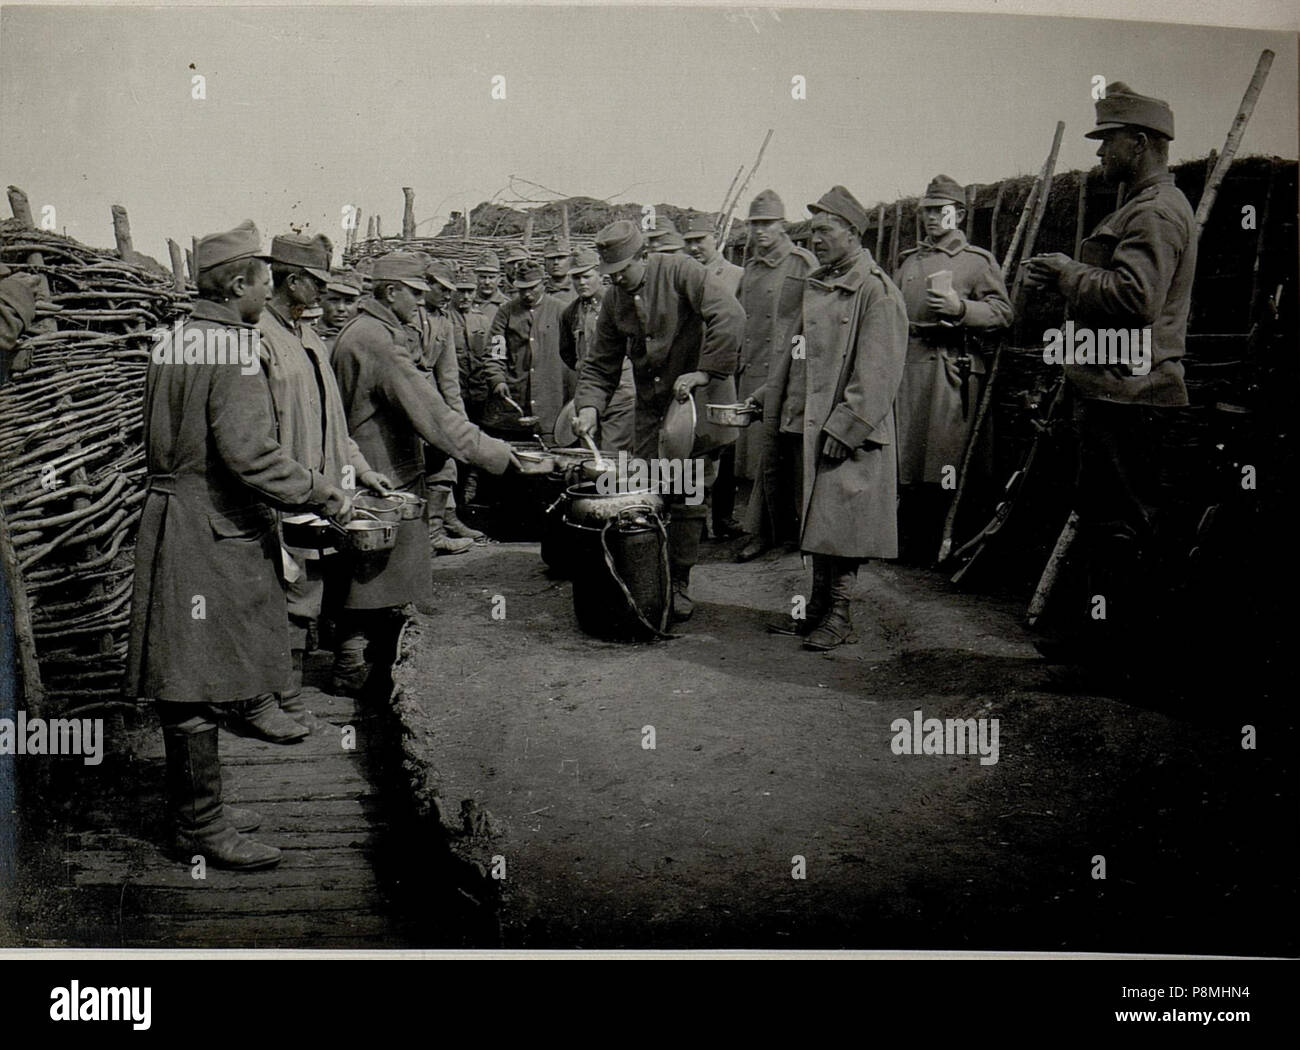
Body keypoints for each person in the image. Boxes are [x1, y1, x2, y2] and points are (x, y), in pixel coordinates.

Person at [127, 221, 353, 870]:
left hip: (169, 519)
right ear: (236, 286)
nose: (266, 290)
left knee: (184, 672)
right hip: (212, 530)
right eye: (260, 280)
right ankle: (201, 827)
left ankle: (196, 812)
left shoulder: (175, 339)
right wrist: (323, 492)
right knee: (193, 679)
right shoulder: (233, 350)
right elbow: (250, 456)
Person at [1022, 82, 1195, 681]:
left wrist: (1068, 275)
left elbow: (1136, 298)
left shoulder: (1154, 212)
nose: (1099, 153)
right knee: (1104, 524)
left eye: (1108, 141)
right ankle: (1094, 646)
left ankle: (1115, 664)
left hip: (1134, 397)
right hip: (1116, 391)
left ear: (1140, 143)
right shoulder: (1141, 206)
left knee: (1121, 531)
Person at [329, 252, 518, 696]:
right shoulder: (377, 341)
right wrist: (498, 454)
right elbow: (432, 413)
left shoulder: (362, 330)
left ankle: (364, 665)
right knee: (374, 575)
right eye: (414, 292)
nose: (420, 300)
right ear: (390, 291)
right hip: (382, 473)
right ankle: (355, 670)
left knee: (371, 571)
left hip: (370, 466)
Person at [746, 187, 908, 650]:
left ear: (852, 232)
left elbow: (878, 371)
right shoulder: (819, 283)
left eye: (824, 231)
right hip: (810, 421)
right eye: (812, 232)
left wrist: (848, 425)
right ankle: (817, 607)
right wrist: (767, 398)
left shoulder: (876, 291)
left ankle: (840, 612)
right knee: (818, 519)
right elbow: (798, 358)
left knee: (843, 524)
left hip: (847, 428)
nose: (815, 240)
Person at [572, 220, 744, 622]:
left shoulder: (683, 271)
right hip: (652, 408)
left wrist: (704, 372)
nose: (616, 280)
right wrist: (589, 407)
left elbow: (729, 315)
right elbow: (600, 362)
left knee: (687, 489)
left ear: (645, 256)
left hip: (693, 402)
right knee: (650, 487)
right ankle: (651, 573)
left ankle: (679, 580)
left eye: (623, 271)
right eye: (610, 274)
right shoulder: (615, 299)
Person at [260, 233, 392, 725]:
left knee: (315, 587)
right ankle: (284, 699)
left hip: (324, 492)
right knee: (292, 593)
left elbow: (331, 422)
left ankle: (293, 691)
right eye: (317, 283)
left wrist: (362, 468)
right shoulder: (261, 339)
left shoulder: (308, 337)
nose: (323, 293)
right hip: (286, 492)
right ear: (293, 281)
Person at [894, 174, 1013, 561]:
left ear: (959, 215)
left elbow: (1002, 313)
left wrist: (961, 309)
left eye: (939, 210)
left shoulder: (976, 262)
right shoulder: (909, 262)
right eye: (926, 210)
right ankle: (908, 541)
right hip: (909, 368)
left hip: (951, 369)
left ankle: (945, 542)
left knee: (946, 460)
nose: (931, 217)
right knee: (908, 459)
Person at [735, 190, 819, 562]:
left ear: (783, 225)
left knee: (787, 455)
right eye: (755, 224)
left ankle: (792, 531)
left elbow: (812, 322)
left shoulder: (802, 264)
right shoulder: (751, 268)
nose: (760, 231)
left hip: (787, 371)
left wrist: (797, 368)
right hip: (753, 369)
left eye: (767, 223)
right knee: (759, 457)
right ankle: (765, 529)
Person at [684, 213, 747, 541]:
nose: (694, 247)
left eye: (700, 240)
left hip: (721, 374)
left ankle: (723, 518)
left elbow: (744, 323)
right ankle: (694, 522)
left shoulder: (736, 275)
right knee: (691, 446)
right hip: (689, 373)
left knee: (725, 445)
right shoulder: (683, 276)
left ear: (716, 238)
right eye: (689, 242)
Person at [411, 258, 479, 554]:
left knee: (444, 462)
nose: (447, 295)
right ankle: (415, 538)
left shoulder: (444, 321)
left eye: (451, 290)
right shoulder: (408, 314)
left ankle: (435, 533)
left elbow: (449, 375)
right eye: (441, 288)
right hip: (405, 397)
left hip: (432, 398)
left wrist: (459, 421)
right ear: (426, 285)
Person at [481, 260, 572, 440]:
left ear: (543, 284)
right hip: (515, 399)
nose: (527, 294)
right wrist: (497, 379)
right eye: (522, 289)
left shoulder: (561, 311)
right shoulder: (506, 312)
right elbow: (495, 352)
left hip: (551, 399)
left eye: (532, 288)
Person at [559, 247, 635, 453]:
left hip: (620, 395)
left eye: (587, 276)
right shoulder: (571, 312)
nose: (581, 283)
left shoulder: (620, 304)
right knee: (589, 454)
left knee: (613, 454)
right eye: (576, 278)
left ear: (600, 274)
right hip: (588, 396)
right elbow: (567, 352)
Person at [316, 269, 363, 356]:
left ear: (359, 304)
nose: (341, 308)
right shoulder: (310, 336)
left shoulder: (364, 337)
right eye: (334, 300)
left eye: (348, 302)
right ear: (320, 301)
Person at [471, 249, 508, 317]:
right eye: (482, 277)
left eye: (491, 277)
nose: (487, 282)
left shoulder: (507, 305)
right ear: (475, 277)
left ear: (499, 279)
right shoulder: (468, 302)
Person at [541, 238, 576, 305]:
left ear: (570, 261)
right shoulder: (539, 290)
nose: (556, 262)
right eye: (551, 258)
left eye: (561, 258)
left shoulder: (579, 289)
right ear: (545, 262)